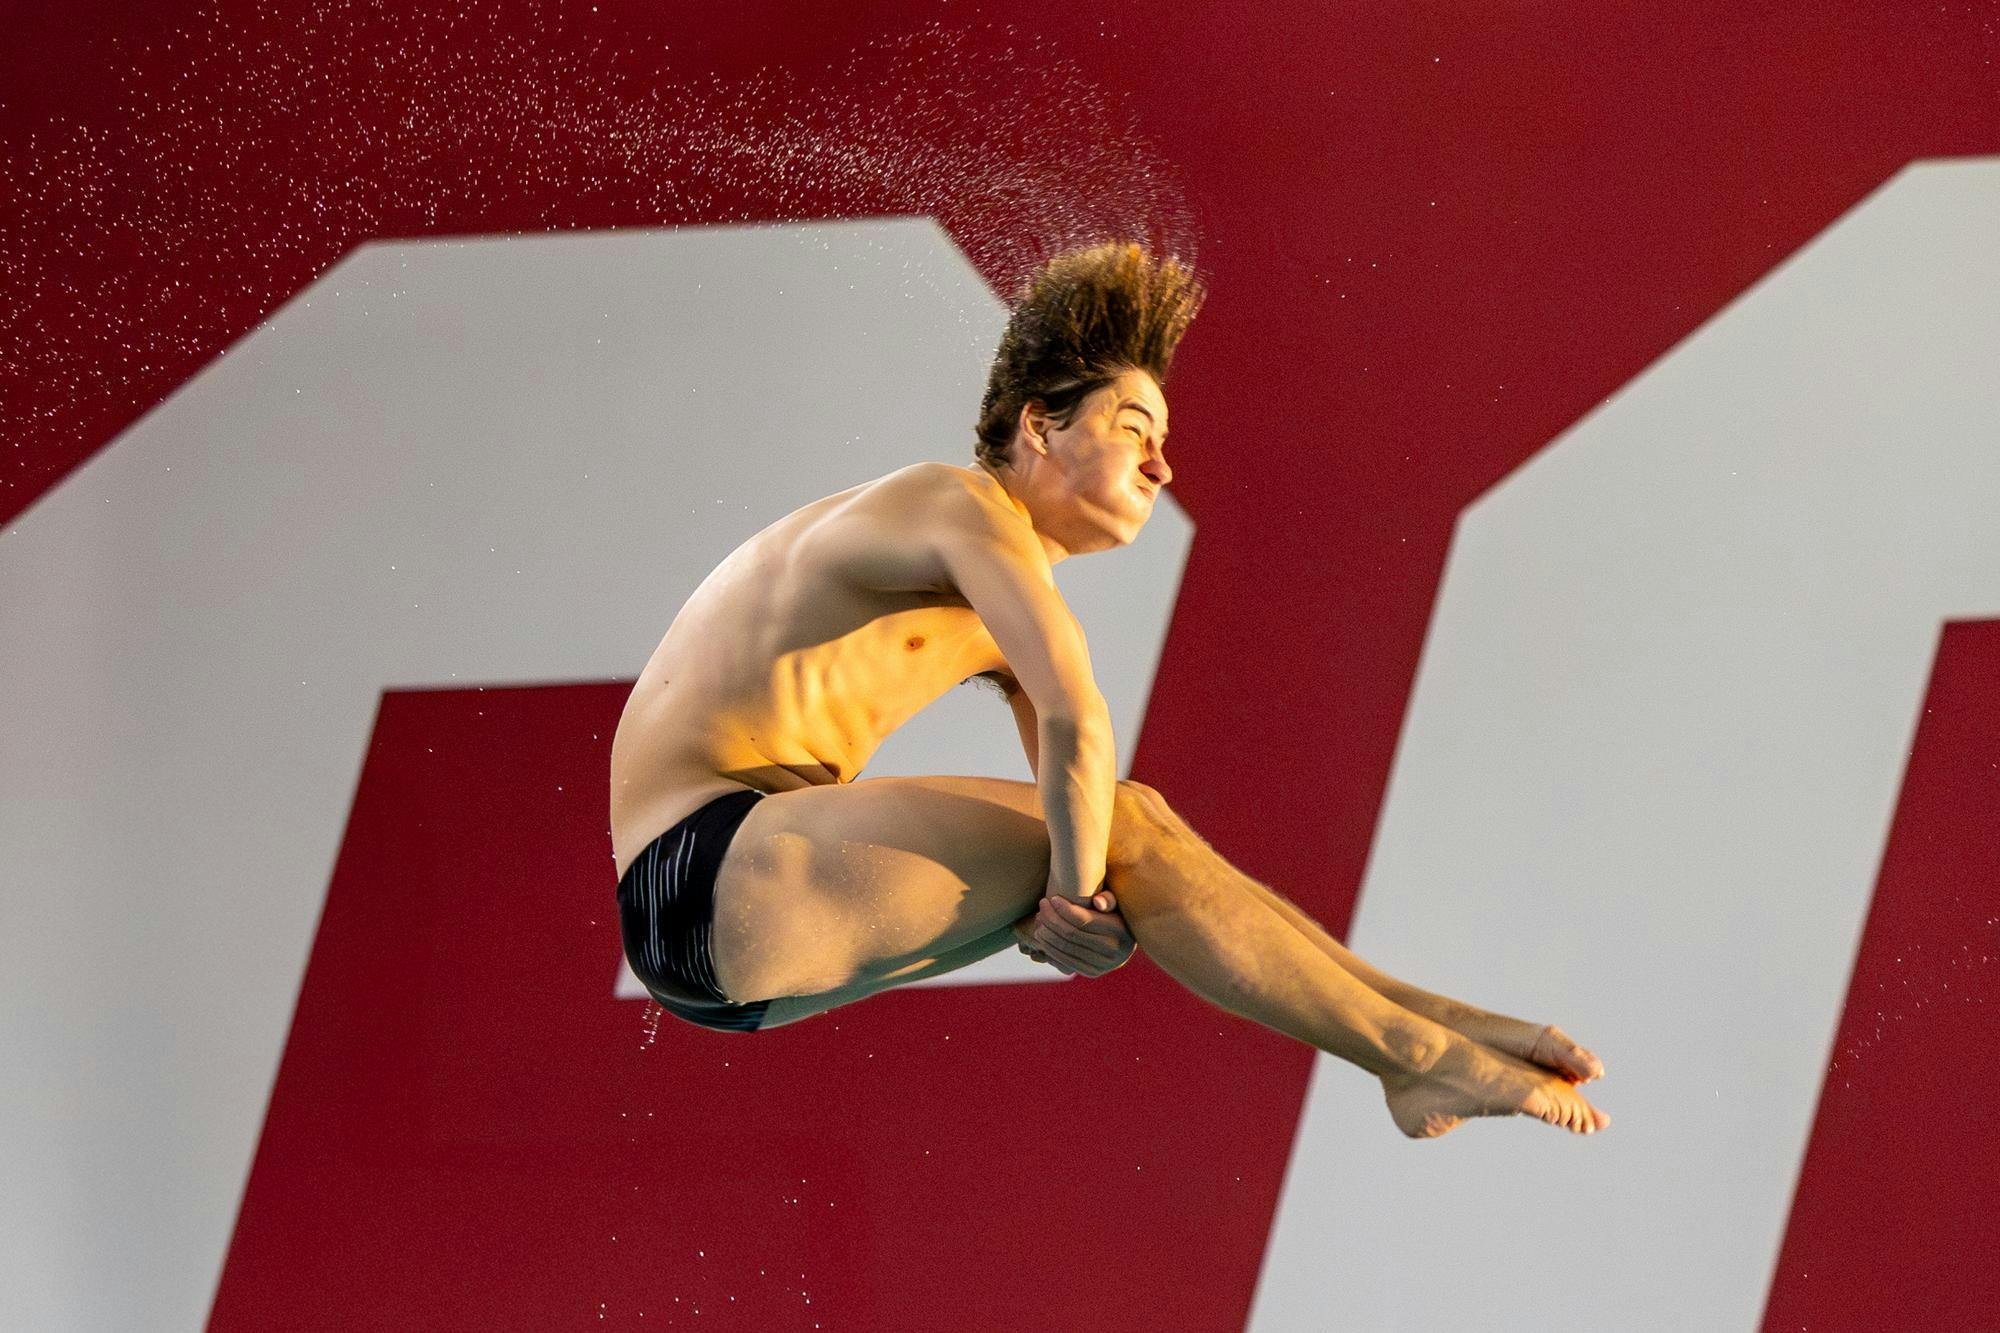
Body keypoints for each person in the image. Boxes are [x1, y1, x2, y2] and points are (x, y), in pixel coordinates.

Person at [608, 241, 1610, 1138]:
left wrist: (1076, 903)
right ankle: (1415, 1055)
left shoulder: (998, 606)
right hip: (706, 861)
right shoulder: (953, 503)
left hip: (730, 937)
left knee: (1133, 824)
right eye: (1135, 429)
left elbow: (1095, 828)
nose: (1162, 466)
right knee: (1125, 823)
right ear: (1039, 426)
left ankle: (1440, 1030)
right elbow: (1077, 730)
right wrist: (1072, 905)